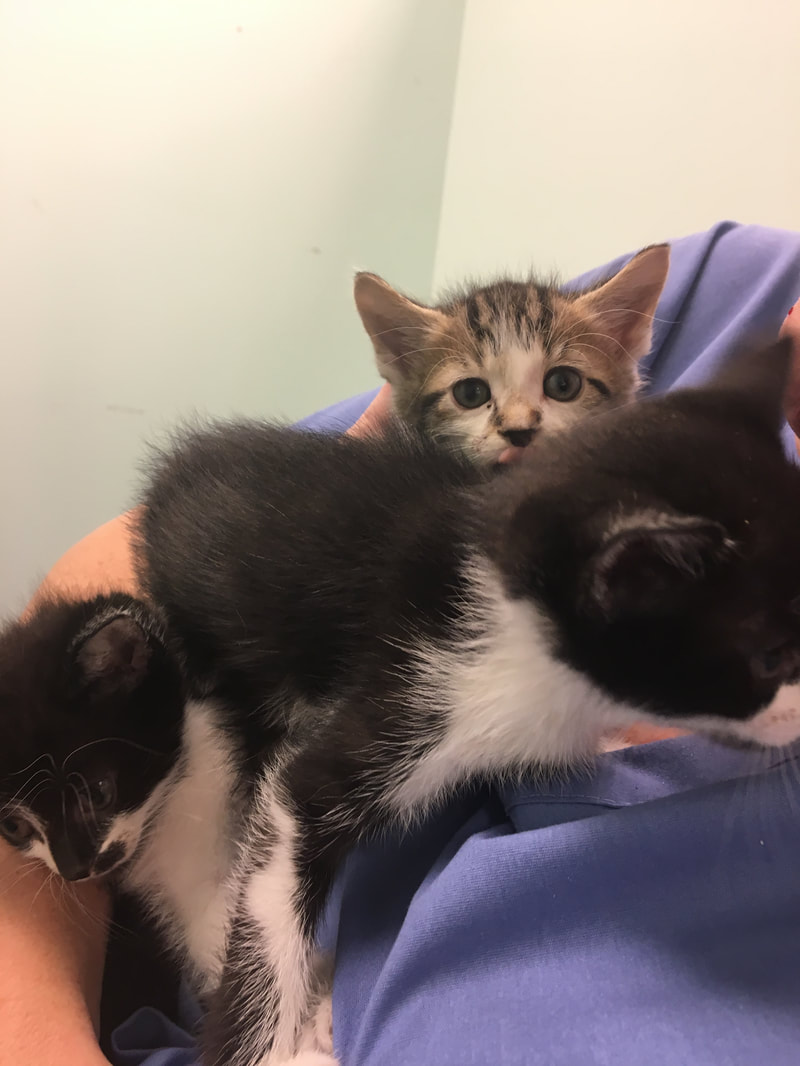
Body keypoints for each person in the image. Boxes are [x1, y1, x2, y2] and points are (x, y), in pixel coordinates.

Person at [3, 221, 800, 1066]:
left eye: (562, 386)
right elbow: (105, 593)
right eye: (478, 398)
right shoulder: (738, 295)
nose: (521, 423)